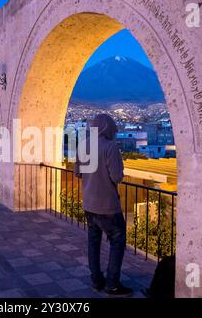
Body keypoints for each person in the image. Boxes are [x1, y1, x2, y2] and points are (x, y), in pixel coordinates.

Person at [74, 114, 132, 297]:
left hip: (89, 203)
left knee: (93, 242)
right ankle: (112, 284)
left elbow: (77, 172)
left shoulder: (84, 145)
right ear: (109, 128)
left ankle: (97, 281)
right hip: (107, 205)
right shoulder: (110, 147)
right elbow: (117, 177)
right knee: (117, 240)